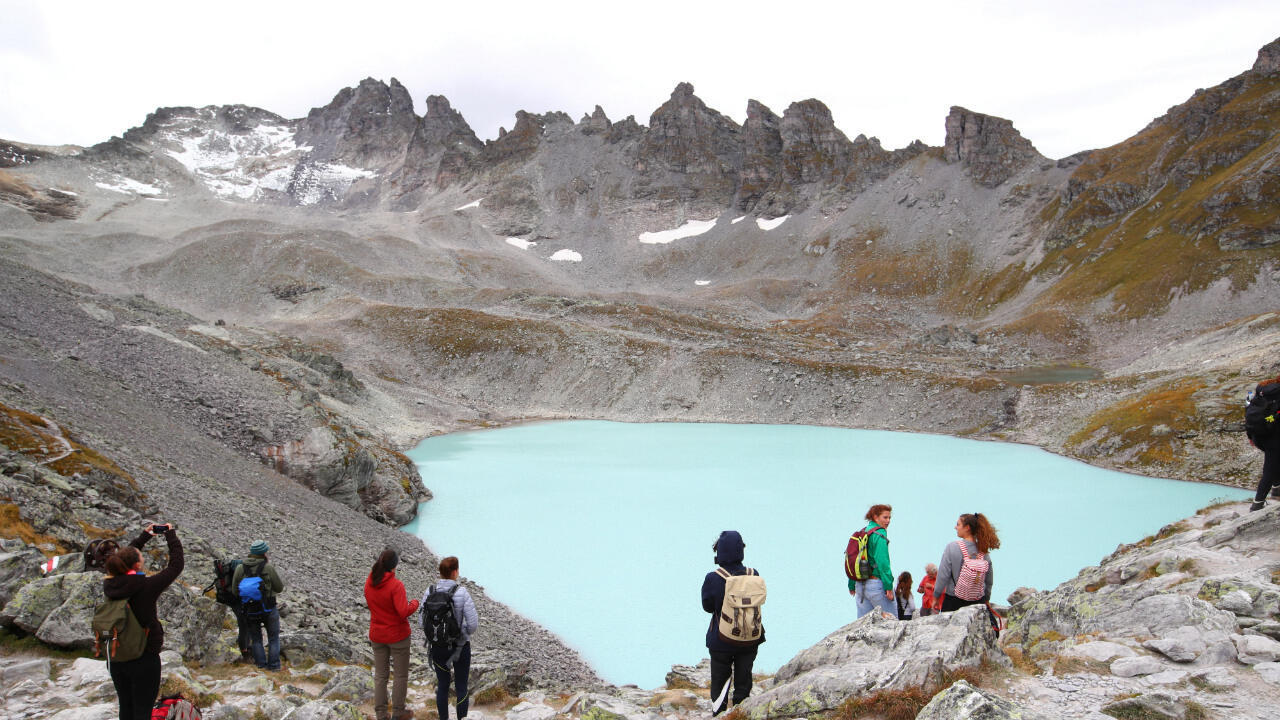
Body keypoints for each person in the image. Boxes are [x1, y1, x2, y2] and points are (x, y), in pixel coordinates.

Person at [102, 523, 184, 720]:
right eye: (141, 557)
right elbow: (176, 565)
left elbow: (121, 558)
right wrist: (170, 535)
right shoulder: (146, 586)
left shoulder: (110, 584)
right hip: (143, 658)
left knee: (126, 707)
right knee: (142, 711)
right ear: (137, 565)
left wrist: (144, 537)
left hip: (116, 656)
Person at [701, 530, 765, 715]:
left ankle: (719, 713)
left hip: (722, 638)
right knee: (744, 680)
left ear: (719, 552)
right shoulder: (754, 574)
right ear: (740, 551)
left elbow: (707, 606)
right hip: (751, 637)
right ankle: (741, 713)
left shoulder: (714, 578)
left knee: (720, 680)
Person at [365, 549, 419, 720]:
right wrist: (415, 604)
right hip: (398, 636)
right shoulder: (396, 585)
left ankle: (381, 713)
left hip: (377, 634)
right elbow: (403, 611)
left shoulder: (370, 582)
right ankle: (398, 711)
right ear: (394, 566)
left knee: (381, 675)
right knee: (400, 675)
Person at [423, 556, 478, 720]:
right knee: (461, 685)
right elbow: (473, 623)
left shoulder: (430, 591)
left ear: (440, 572)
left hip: (437, 647)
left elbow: (422, 621)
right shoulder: (462, 592)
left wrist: (435, 636)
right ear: (455, 572)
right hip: (460, 647)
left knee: (443, 685)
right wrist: (463, 634)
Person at [231, 540, 285, 671]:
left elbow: (234, 590)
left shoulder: (240, 568)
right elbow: (279, 587)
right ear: (263, 553)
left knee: (256, 639)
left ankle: (260, 666)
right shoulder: (268, 568)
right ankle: (274, 667)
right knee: (273, 638)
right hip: (268, 608)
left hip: (249, 610)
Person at [934, 513, 1000, 612]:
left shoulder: (952, 547)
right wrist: (986, 599)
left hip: (953, 600)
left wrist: (936, 596)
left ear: (967, 528)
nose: (955, 527)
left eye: (958, 524)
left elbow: (943, 576)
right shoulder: (983, 552)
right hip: (977, 602)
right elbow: (989, 580)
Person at [849, 504, 895, 618]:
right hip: (876, 585)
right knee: (892, 623)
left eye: (889, 518)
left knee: (862, 626)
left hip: (860, 585)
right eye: (885, 517)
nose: (888, 521)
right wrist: (888, 586)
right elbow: (883, 562)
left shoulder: (862, 533)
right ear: (875, 517)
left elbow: (853, 558)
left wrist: (852, 584)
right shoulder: (879, 534)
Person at [1248, 375, 1280, 511]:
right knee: (1269, 469)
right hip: (1273, 437)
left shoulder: (1262, 390)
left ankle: (1277, 489)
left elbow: (1248, 411)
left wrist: (1250, 436)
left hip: (1257, 435)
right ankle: (1257, 504)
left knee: (1275, 461)